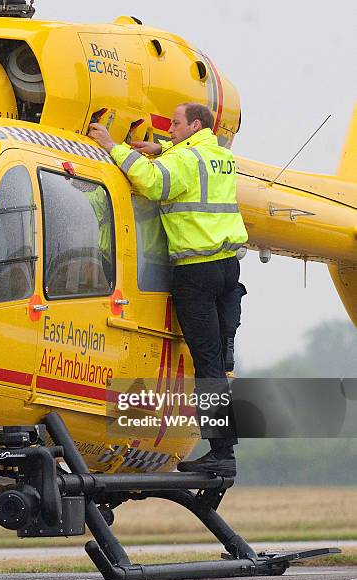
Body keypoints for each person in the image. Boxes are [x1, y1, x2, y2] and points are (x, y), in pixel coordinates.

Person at [89, 103, 248, 477]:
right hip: (228, 269)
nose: (168, 129)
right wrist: (162, 149)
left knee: (205, 364)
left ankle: (222, 453)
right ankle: (226, 448)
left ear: (194, 125)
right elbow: (190, 163)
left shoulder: (186, 160)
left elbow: (153, 183)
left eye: (175, 124)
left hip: (196, 272)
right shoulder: (221, 157)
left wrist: (115, 146)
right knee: (221, 365)